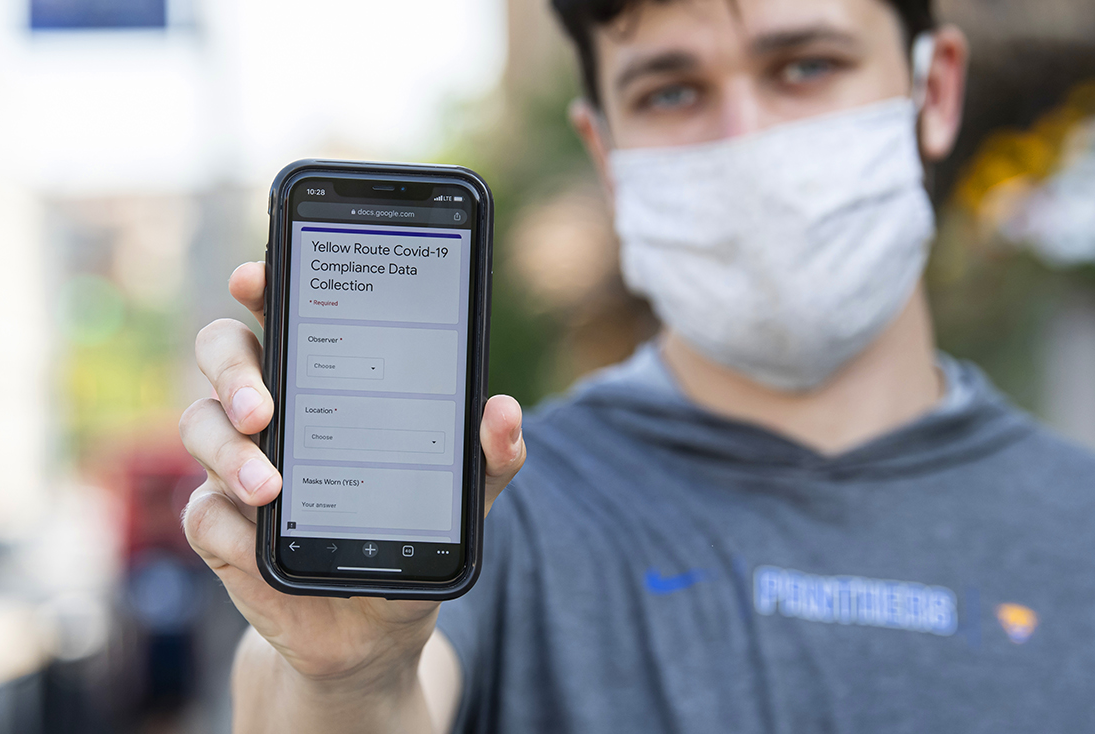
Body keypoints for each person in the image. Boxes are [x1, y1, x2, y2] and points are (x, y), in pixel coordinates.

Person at [179, 0, 1095, 730]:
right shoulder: (499, 507)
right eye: (670, 91)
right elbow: (351, 700)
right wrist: (342, 681)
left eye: (806, 66)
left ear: (934, 90)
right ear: (606, 155)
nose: (747, 139)